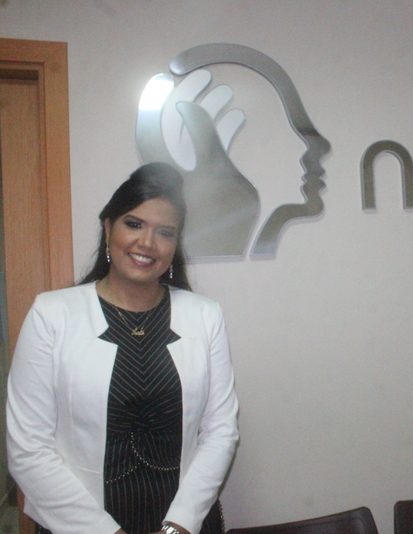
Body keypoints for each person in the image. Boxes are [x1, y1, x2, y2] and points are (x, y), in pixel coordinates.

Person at [6, 162, 239, 534]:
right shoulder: (52, 315)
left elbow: (221, 431)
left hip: (184, 522)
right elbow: (28, 447)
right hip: (78, 525)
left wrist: (178, 526)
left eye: (165, 232)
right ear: (107, 227)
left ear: (175, 244)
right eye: (134, 224)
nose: (147, 243)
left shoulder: (205, 316)